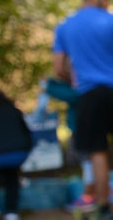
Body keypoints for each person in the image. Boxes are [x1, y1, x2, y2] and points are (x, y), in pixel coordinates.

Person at [52, 0, 113, 220]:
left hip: (90, 94)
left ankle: (104, 208)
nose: (108, 0)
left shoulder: (65, 27)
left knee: (97, 152)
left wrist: (76, 79)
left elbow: (58, 68)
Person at [41, 77, 96, 212]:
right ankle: (90, 195)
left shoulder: (84, 82)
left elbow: (72, 95)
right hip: (83, 127)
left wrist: (48, 87)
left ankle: (89, 196)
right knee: (87, 163)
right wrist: (51, 83)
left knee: (88, 163)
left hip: (84, 128)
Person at [0, 84, 32, 220]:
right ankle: (11, 211)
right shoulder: (12, 109)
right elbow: (27, 133)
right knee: (11, 177)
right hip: (17, 153)